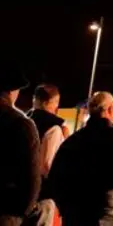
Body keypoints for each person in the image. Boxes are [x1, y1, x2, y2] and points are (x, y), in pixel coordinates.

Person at [48, 92, 113, 226]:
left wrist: (66, 208)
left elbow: (55, 178)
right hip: (106, 217)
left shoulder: (73, 141)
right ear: (109, 110)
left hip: (74, 217)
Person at [0, 63, 41, 226]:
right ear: (13, 91)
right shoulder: (21, 124)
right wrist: (26, 210)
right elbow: (32, 176)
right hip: (7, 211)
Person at [25, 84, 67, 226]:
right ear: (48, 103)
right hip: (42, 194)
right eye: (56, 102)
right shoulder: (54, 128)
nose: (57, 107)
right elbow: (49, 165)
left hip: (20, 190)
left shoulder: (23, 121)